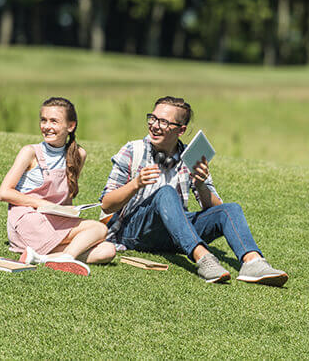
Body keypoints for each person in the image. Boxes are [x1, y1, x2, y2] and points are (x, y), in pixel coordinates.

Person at [100, 96, 287, 285]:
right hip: (133, 231)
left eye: (164, 122)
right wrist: (135, 184)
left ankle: (253, 263)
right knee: (166, 192)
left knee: (230, 209)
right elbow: (106, 205)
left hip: (174, 234)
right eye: (153, 118)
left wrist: (200, 184)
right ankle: (204, 259)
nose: (154, 126)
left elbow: (213, 207)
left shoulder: (192, 156)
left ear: (181, 130)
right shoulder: (133, 150)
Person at [0, 97, 116, 276]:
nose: (46, 126)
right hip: (30, 221)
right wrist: (40, 204)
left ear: (71, 126)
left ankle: (41, 258)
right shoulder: (30, 152)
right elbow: (4, 193)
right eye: (43, 120)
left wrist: (69, 211)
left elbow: (67, 197)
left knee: (107, 250)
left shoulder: (79, 155)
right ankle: (67, 256)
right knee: (99, 229)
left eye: (54, 121)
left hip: (55, 221)